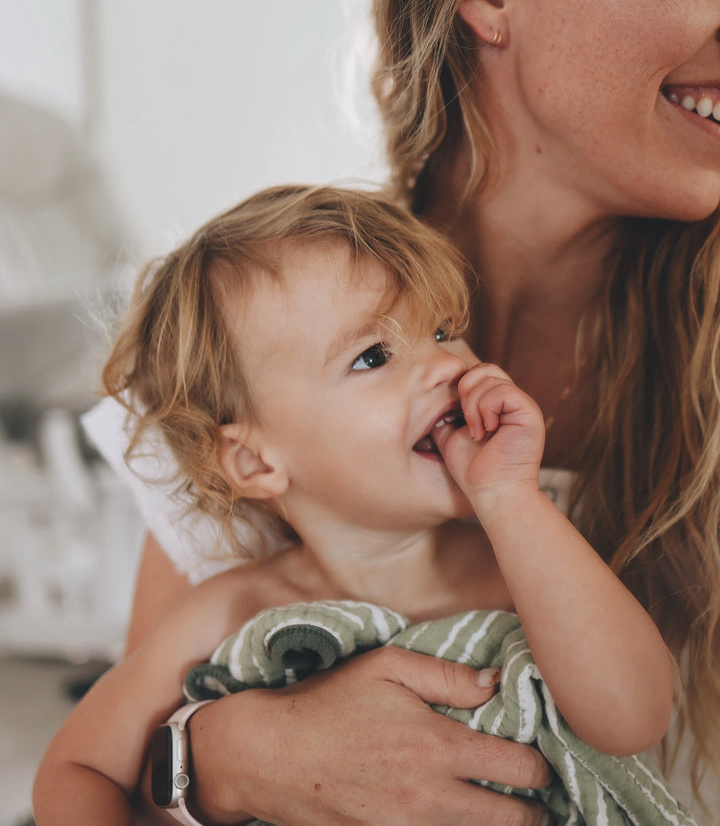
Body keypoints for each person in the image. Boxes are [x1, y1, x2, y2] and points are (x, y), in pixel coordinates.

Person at [78, 0, 720, 823]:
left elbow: (630, 713)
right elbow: (112, 773)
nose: (443, 367)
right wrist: (220, 756)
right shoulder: (242, 355)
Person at [34, 184, 680, 826]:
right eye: (373, 355)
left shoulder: (527, 560)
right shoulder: (231, 608)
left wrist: (510, 497)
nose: (442, 366)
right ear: (257, 462)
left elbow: (632, 718)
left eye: (444, 329)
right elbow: (79, 769)